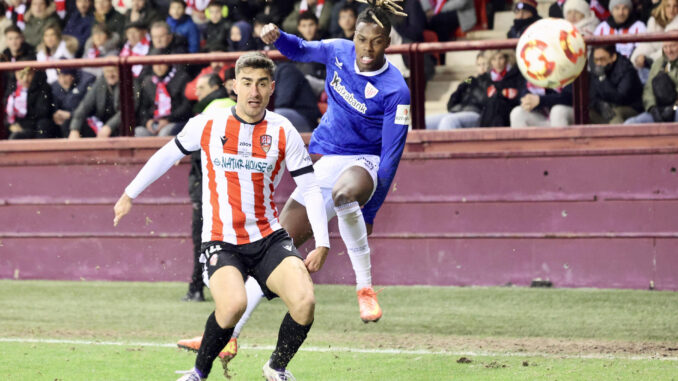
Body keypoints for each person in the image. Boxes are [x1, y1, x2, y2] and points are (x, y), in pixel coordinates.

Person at [176, 0, 411, 364]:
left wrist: (373, 208)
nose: (367, 49)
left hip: (365, 162)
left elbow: (392, 154)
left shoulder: (396, 89)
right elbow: (299, 49)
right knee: (271, 252)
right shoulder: (338, 51)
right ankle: (231, 337)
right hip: (327, 158)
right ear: (354, 36)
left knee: (345, 195)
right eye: (362, 39)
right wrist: (277, 36)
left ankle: (364, 286)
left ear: (388, 42)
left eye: (376, 41)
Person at [114, 51, 330, 381]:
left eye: (261, 84)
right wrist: (130, 193)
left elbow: (312, 189)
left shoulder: (283, 130)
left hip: (268, 236)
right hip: (221, 238)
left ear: (272, 88)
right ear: (233, 86)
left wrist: (323, 242)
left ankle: (276, 368)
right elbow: (166, 154)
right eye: (246, 83)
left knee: (305, 303)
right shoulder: (208, 124)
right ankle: (199, 372)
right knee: (232, 306)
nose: (254, 92)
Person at [182, 72, 235, 302]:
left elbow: (196, 150)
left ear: (214, 87)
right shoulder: (233, 105)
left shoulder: (210, 110)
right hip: (234, 185)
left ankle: (196, 287)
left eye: (201, 88)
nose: (197, 93)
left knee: (203, 235)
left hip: (208, 183)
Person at [134, 48, 192, 137]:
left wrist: (168, 120)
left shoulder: (182, 78)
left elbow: (186, 107)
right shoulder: (147, 82)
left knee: (164, 133)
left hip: (175, 122)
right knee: (138, 131)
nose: (158, 67)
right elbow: (143, 109)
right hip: (154, 123)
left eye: (161, 63)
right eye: (155, 64)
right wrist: (147, 122)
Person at [588, 45, 643, 124]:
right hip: (608, 105)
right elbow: (592, 94)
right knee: (588, 113)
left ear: (613, 57)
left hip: (630, 107)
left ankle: (619, 136)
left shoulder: (626, 69)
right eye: (596, 60)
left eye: (602, 59)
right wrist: (599, 104)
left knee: (614, 114)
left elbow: (620, 98)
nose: (599, 63)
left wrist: (603, 78)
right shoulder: (596, 67)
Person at [69, 65, 121, 139]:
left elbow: (126, 112)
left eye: (113, 71)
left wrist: (109, 127)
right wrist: (74, 129)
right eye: (107, 71)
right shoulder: (100, 82)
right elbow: (85, 105)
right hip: (102, 124)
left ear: (120, 71)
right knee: (69, 125)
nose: (110, 74)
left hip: (123, 127)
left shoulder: (128, 82)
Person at [5, 66, 56, 139]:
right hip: (17, 127)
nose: (25, 78)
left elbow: (42, 112)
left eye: (29, 74)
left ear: (34, 73)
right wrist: (11, 125)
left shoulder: (43, 87)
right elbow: (7, 114)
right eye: (22, 74)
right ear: (16, 74)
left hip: (36, 127)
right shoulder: (11, 89)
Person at [51, 68, 96, 136]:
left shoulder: (88, 80)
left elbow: (91, 108)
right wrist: (55, 115)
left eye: (65, 76)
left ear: (72, 75)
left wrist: (70, 115)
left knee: (68, 124)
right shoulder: (55, 86)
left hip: (86, 121)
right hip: (63, 122)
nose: (62, 80)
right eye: (59, 76)